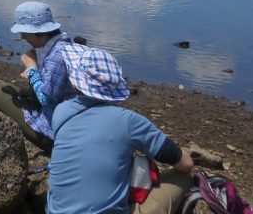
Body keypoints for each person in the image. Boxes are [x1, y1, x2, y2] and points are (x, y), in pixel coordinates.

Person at [47, 47, 195, 214]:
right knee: (183, 178)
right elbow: (186, 164)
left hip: (55, 211)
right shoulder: (128, 121)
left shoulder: (61, 111)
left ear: (74, 81)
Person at [0, 0, 75, 152]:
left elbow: (46, 98)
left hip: (53, 135)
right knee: (4, 87)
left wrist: (31, 68)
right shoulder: (66, 44)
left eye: (24, 33)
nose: (22, 37)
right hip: (65, 122)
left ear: (36, 32)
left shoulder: (57, 56)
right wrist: (36, 72)